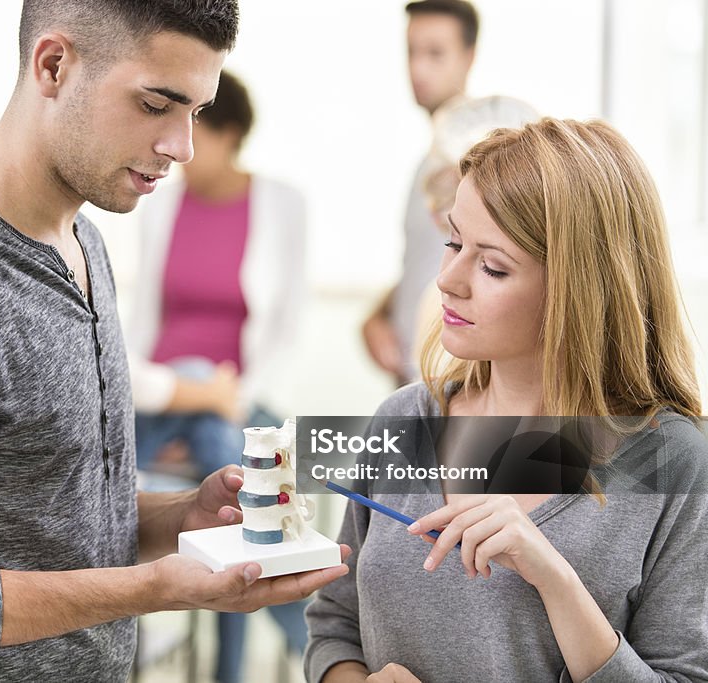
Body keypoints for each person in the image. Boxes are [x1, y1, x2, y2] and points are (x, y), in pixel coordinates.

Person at [0, 3, 349, 682]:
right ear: (54, 65)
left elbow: (44, 516)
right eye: (157, 104)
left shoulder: (84, 243)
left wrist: (179, 514)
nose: (182, 145)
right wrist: (157, 585)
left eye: (196, 112)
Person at [304, 118, 708, 682]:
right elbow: (335, 623)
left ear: (578, 289)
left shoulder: (673, 464)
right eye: (453, 242)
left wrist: (555, 580)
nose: (449, 279)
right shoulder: (402, 420)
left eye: (493, 265)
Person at [127, 70, 309, 683]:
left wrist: (227, 401)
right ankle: (298, 636)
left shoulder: (281, 204)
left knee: (219, 456)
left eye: (196, 128)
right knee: (236, 492)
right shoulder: (161, 202)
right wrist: (175, 395)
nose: (177, 145)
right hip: (167, 391)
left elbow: (284, 330)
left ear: (230, 133)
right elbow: (142, 319)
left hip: (238, 403)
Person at [361, 0, 479, 385]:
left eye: (435, 53)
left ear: (469, 57)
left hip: (456, 380)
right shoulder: (429, 164)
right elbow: (430, 259)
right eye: (411, 52)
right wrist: (381, 314)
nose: (417, 69)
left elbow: (497, 261)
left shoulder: (484, 160)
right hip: (415, 378)